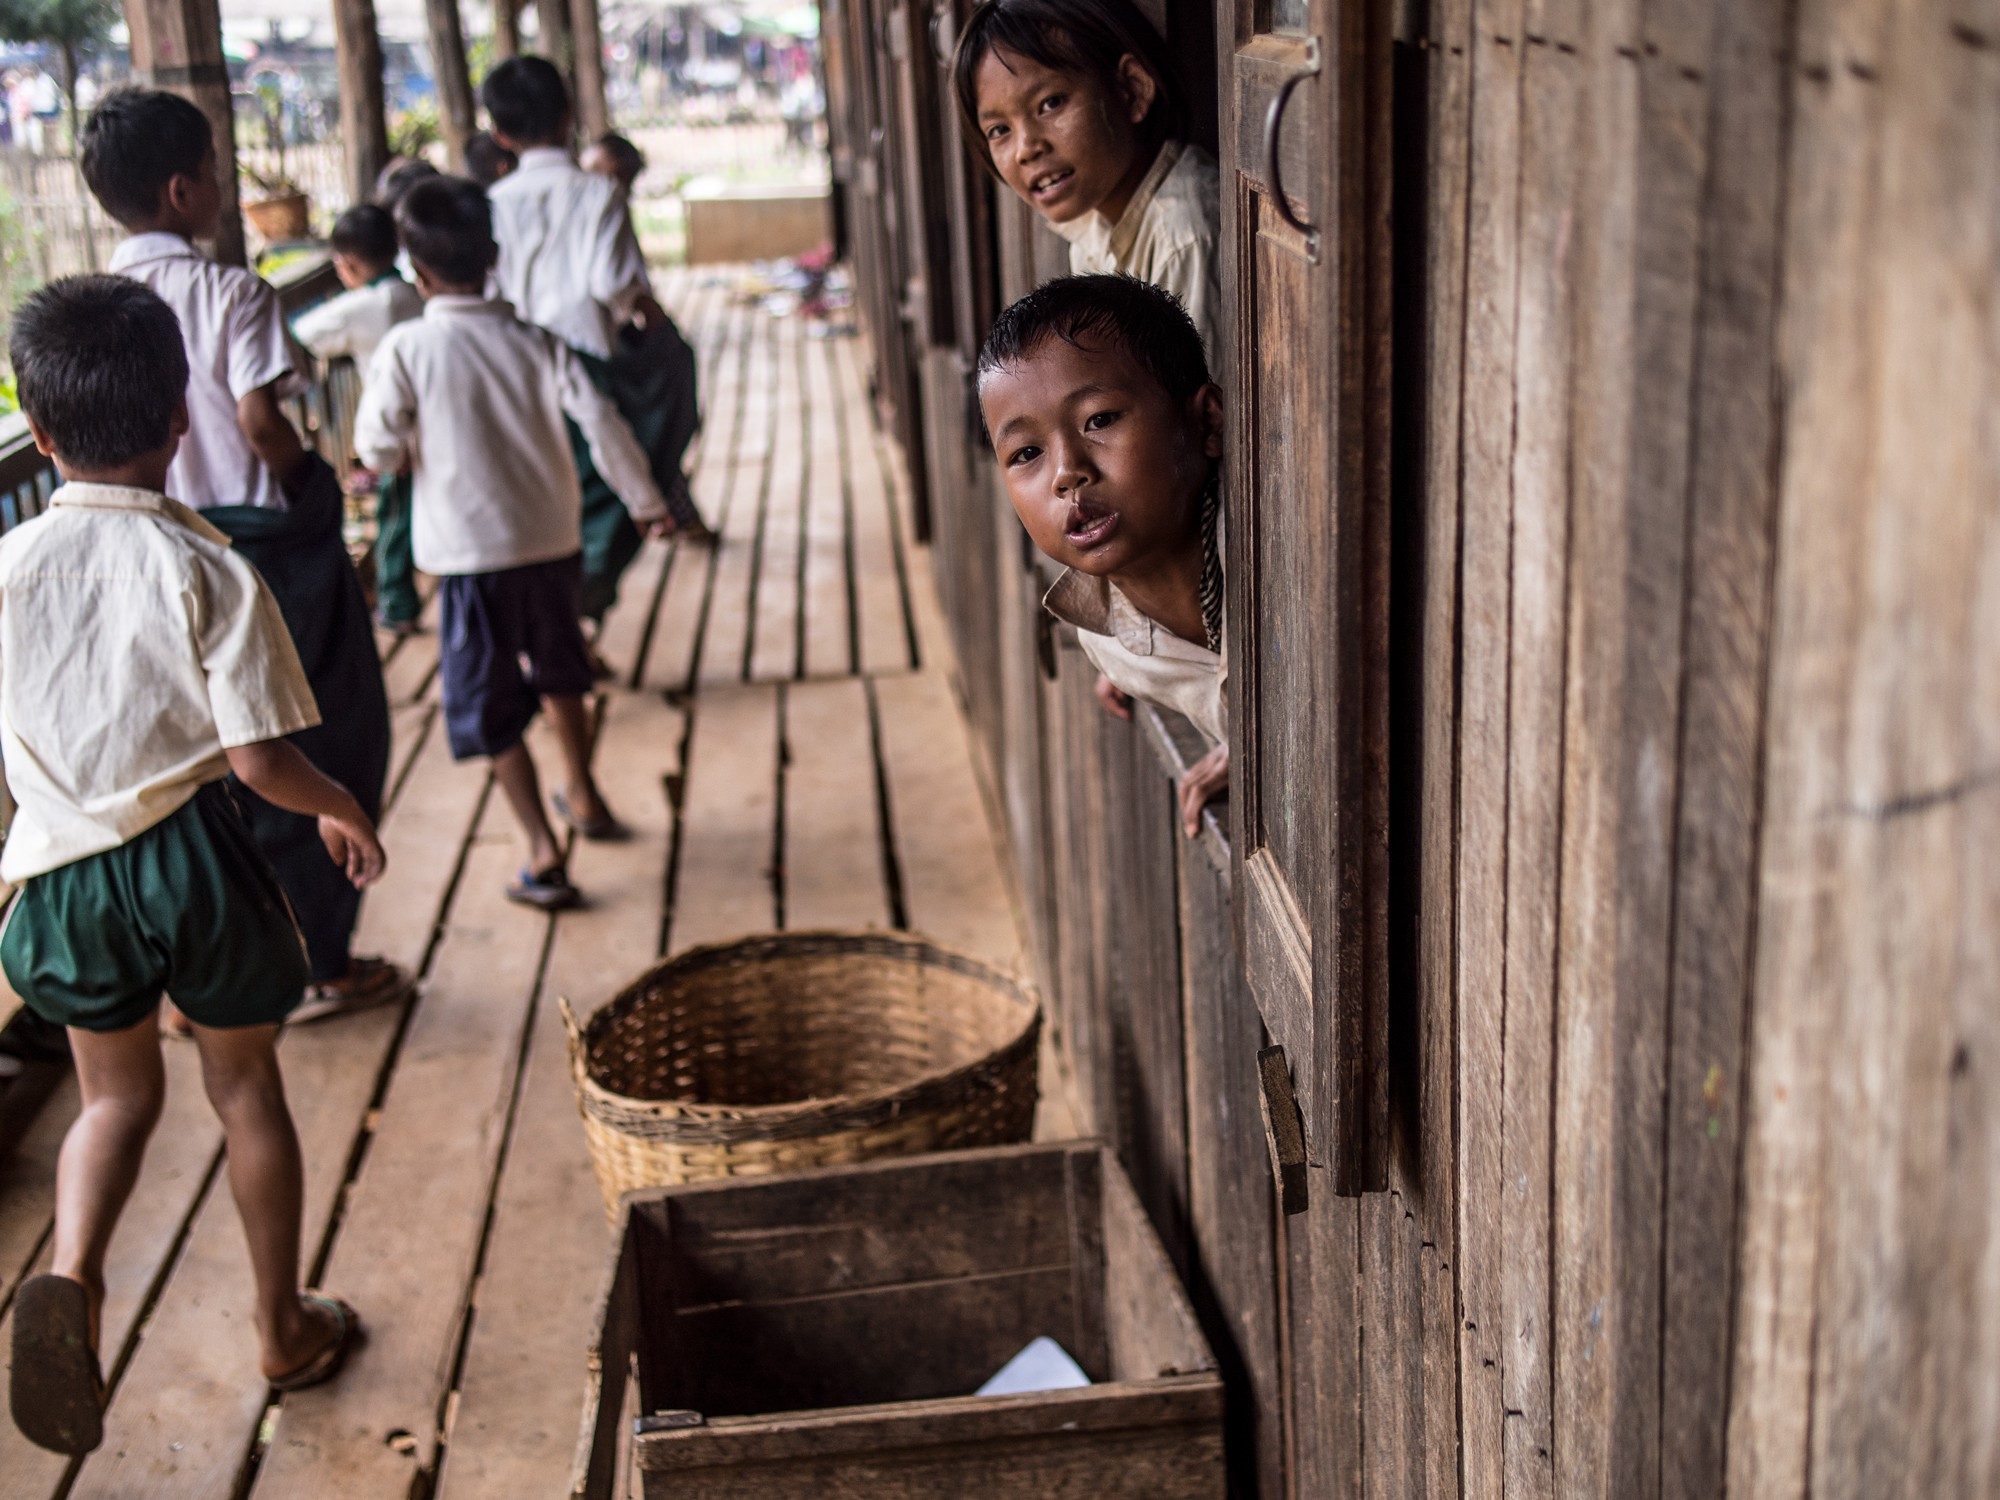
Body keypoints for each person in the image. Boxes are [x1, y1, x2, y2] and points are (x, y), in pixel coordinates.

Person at [1, 276, 381, 1456]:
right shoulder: (209, 566)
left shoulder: (6, 569)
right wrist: (341, 809)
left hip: (63, 874)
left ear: (42, 432)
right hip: (195, 868)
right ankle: (281, 1328)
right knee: (245, 1090)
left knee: (113, 1097)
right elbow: (261, 760)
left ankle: (73, 1271)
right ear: (180, 419)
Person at [81, 88, 402, 1026]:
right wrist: (311, 484)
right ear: (184, 190)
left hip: (136, 553)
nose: (222, 187)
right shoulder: (231, 292)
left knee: (191, 762)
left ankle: (204, 972)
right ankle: (317, 958)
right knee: (317, 732)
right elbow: (262, 423)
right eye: (216, 172)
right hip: (254, 549)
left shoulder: (92, 310)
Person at [353, 176, 673, 909]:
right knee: (564, 671)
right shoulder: (538, 342)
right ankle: (584, 791)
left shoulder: (408, 348)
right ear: (493, 255)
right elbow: (602, 423)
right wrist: (647, 501)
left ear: (417, 270)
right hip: (552, 545)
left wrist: (399, 455)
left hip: (468, 564)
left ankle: (539, 845)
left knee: (488, 704)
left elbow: (378, 447)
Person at [977, 275, 1227, 835]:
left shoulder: (1280, 556)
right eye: (1027, 453)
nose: (1067, 472)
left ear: (1206, 421)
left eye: (1100, 419)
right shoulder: (1109, 644)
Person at [482, 56, 700, 625]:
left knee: (543, 492)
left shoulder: (491, 204)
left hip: (515, 368)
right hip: (591, 361)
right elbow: (615, 284)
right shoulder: (596, 193)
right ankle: (583, 602)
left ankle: (561, 614)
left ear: (500, 133)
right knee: (617, 475)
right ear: (569, 115)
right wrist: (662, 331)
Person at [952, 0, 1220, 359]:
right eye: (1000, 129)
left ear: (1131, 89)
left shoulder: (1183, 238)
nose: (1025, 149)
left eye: (1050, 103)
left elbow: (1197, 410)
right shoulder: (1091, 230)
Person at [290, 203, 425, 635]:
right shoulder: (416, 292)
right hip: (433, 422)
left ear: (346, 263)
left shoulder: (362, 306)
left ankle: (398, 603)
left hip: (395, 430)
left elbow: (298, 336)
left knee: (395, 515)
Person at [578, 130, 714, 543]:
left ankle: (673, 507)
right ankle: (668, 509)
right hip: (598, 348)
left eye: (615, 179)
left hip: (619, 341)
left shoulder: (606, 210)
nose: (605, 186)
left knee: (663, 427)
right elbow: (616, 287)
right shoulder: (589, 206)